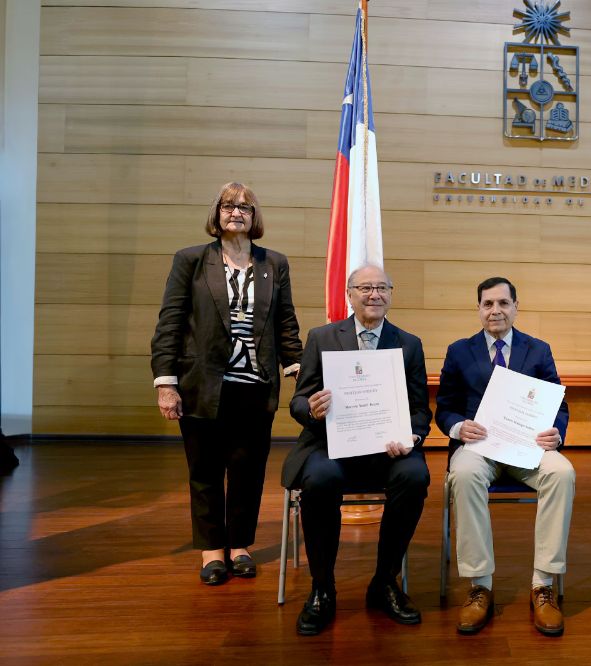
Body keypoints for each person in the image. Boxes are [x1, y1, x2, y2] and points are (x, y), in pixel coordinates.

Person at [151, 182, 302, 586]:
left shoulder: (275, 264)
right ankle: (211, 550)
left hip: (255, 386)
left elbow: (285, 322)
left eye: (245, 207)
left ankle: (240, 546)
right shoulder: (191, 261)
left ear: (255, 217)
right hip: (202, 385)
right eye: (228, 205)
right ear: (216, 214)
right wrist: (166, 383)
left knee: (247, 471)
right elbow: (170, 323)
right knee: (204, 471)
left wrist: (298, 369)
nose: (236, 212)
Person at [281, 264, 431, 636]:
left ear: (391, 294)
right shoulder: (322, 337)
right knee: (319, 480)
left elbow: (419, 410)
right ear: (349, 294)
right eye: (365, 287)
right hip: (332, 446)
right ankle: (323, 587)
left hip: (388, 450)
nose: (374, 294)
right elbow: (299, 401)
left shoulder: (409, 344)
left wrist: (412, 437)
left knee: (415, 476)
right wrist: (312, 408)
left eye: (381, 287)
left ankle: (384, 582)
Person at [436, 277, 574, 637]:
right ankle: (479, 585)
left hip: (528, 447)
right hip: (478, 448)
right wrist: (457, 428)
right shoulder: (459, 351)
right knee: (463, 475)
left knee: (562, 472)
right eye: (487, 304)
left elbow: (559, 403)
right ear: (479, 309)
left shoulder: (538, 349)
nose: (495, 310)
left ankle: (543, 584)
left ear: (515, 307)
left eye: (502, 303)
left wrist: (557, 433)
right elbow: (445, 407)